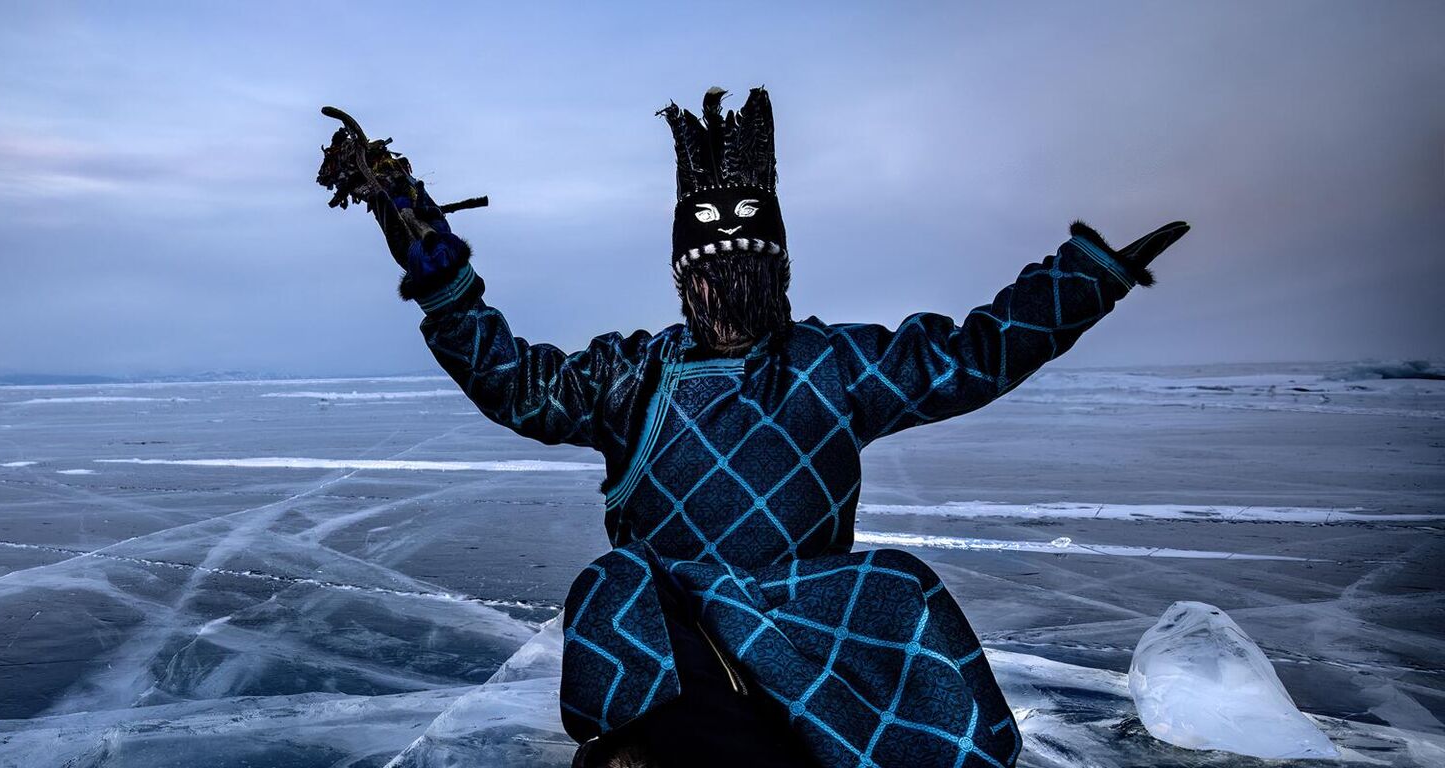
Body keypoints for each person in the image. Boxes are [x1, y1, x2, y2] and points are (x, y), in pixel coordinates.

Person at [316, 87, 1189, 768]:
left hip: (809, 617)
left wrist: (1085, 280)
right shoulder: (634, 374)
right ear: (683, 271)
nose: (729, 255)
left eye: (748, 239)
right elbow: (512, 380)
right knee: (616, 593)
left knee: (900, 591)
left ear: (776, 258)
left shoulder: (835, 365)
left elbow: (975, 353)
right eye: (709, 242)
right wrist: (436, 268)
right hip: (675, 630)